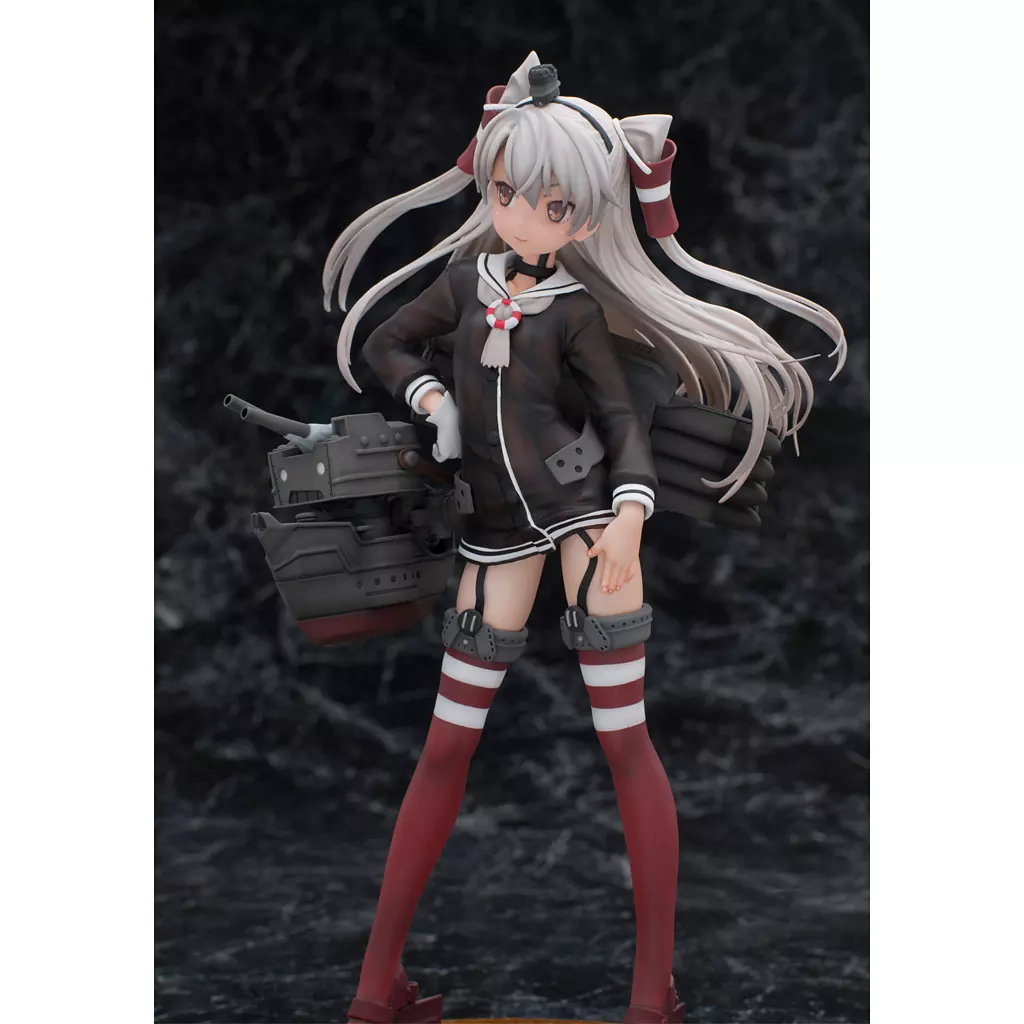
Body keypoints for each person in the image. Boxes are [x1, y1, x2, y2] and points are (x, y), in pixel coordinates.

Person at [322, 53, 846, 1024]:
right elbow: (385, 342)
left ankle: (650, 996)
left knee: (624, 742)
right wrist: (432, 397)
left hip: (592, 519)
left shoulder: (574, 313)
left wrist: (633, 514)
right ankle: (372, 987)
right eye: (509, 193)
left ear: (588, 217)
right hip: (494, 535)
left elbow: (619, 422)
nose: (524, 216)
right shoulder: (461, 284)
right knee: (445, 745)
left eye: (553, 204)